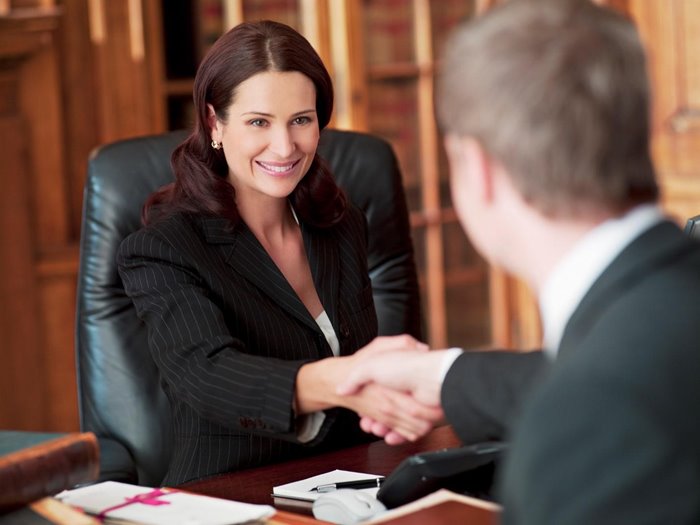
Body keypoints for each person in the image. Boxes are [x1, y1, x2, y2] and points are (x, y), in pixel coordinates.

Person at [339, 0, 700, 522]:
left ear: (478, 169)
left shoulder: (579, 430)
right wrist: (444, 375)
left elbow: (601, 390)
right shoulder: (668, 303)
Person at [116, 20, 441, 486]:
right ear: (214, 123)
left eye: (301, 120)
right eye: (258, 122)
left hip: (349, 486)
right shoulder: (163, 249)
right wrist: (344, 379)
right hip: (228, 495)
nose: (285, 146)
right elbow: (209, 376)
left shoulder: (340, 224)